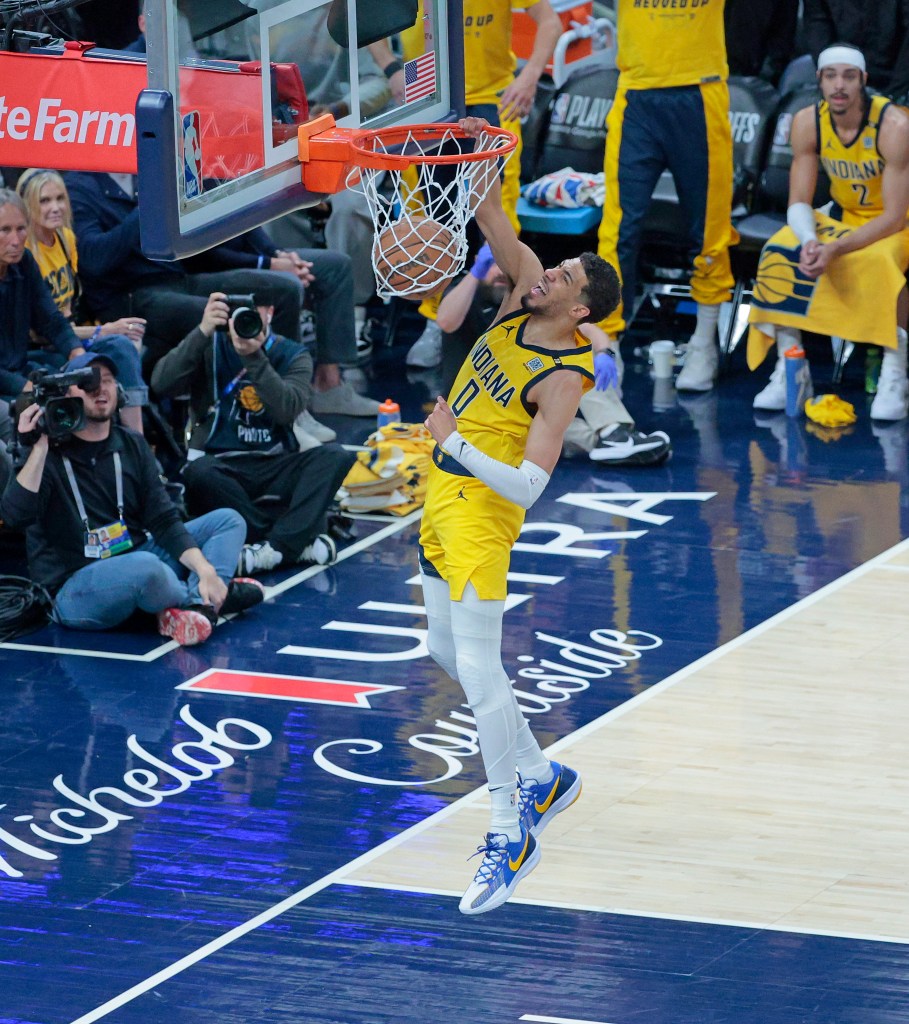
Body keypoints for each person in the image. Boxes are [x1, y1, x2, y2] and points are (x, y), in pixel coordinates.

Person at [419, 116, 621, 915]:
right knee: (441, 647)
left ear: (580, 312)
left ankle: (510, 830)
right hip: (439, 491)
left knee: (477, 668)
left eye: (564, 277)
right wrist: (477, 140)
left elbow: (532, 487)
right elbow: (489, 208)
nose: (548, 275)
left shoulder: (565, 374)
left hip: (479, 504)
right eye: (557, 265)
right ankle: (544, 776)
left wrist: (453, 445)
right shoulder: (521, 283)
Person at [0, 352, 264, 646]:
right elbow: (15, 517)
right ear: (65, 396)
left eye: (109, 380)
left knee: (228, 520)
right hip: (75, 587)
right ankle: (212, 597)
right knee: (146, 567)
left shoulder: (131, 444)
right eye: (87, 382)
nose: (100, 388)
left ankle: (199, 605)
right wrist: (37, 448)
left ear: (120, 391)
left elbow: (163, 520)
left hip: (136, 555)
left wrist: (206, 570)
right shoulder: (45, 452)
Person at [394, 0, 563, 370]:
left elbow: (550, 22)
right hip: (428, 100)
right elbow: (357, 16)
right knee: (432, 219)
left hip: (489, 99)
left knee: (496, 221)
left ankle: (508, 321)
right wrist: (390, 67)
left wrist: (529, 75)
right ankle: (434, 322)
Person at [747, 44, 909, 421]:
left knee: (881, 259)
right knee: (779, 248)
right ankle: (792, 367)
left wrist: (834, 249)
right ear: (818, 80)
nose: (839, 86)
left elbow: (895, 219)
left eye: (849, 77)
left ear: (864, 82)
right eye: (831, 76)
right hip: (844, 215)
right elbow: (799, 201)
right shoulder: (807, 121)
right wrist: (810, 242)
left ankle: (895, 372)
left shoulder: (895, 126)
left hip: (895, 221)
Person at [151, 291, 357, 575]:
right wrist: (202, 331)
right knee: (199, 473)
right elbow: (161, 384)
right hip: (221, 464)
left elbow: (286, 410)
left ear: (270, 312)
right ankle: (289, 545)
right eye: (237, 310)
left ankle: (270, 549)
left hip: (275, 461)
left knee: (335, 457)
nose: (243, 319)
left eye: (253, 310)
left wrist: (254, 358)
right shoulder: (209, 346)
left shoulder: (293, 353)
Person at [596, 0, 739, 393]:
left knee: (710, 226)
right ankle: (607, 345)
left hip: (700, 91)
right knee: (619, 228)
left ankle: (703, 343)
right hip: (637, 95)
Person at [436, 244, 671, 465]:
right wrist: (476, 273)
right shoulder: (464, 291)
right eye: (490, 264)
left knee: (574, 364)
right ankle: (609, 439)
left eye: (501, 265)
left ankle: (612, 433)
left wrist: (605, 353)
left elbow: (588, 330)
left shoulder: (524, 300)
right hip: (477, 404)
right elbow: (445, 320)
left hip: (519, 393)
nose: (498, 272)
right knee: (538, 413)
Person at [62, 170, 302, 375]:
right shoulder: (80, 185)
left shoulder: (149, 168)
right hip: (130, 295)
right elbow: (94, 259)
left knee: (284, 288)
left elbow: (214, 225)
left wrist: (270, 256)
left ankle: (291, 395)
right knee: (223, 316)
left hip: (178, 276)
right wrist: (146, 210)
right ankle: (245, 412)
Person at [0, 188, 147, 431]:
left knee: (118, 347)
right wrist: (28, 387)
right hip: (8, 382)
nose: (15, 240)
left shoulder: (24, 261)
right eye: (4, 230)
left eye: (21, 228)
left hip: (27, 366)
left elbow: (51, 319)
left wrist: (77, 355)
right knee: (41, 403)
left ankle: (134, 443)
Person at [804, 1, 909, 100]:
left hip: (895, 76)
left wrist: (893, 95)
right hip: (841, 71)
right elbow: (817, 23)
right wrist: (833, 76)